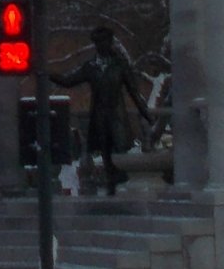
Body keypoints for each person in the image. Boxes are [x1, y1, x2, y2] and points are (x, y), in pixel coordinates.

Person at [51, 26, 153, 195]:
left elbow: (134, 92)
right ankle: (111, 188)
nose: (102, 45)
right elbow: (68, 81)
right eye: (99, 42)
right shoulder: (91, 67)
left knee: (120, 152)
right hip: (99, 117)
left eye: (105, 41)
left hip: (117, 116)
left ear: (110, 43)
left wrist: (146, 114)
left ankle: (121, 186)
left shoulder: (119, 65)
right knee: (106, 155)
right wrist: (46, 73)